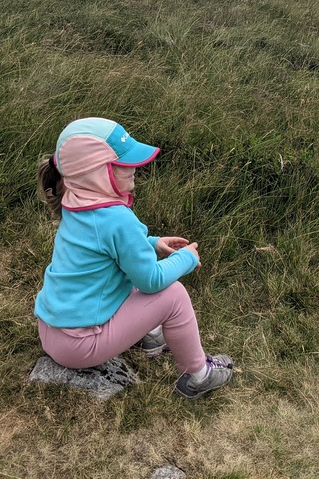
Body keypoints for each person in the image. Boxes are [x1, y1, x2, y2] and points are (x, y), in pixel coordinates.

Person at [33, 117, 234, 399]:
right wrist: (186, 259)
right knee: (173, 294)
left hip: (51, 332)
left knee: (124, 272)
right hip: (80, 347)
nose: (135, 168)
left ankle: (149, 336)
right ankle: (199, 375)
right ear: (96, 173)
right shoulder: (117, 219)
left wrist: (152, 243)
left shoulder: (75, 201)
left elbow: (106, 249)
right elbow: (151, 280)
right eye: (123, 164)